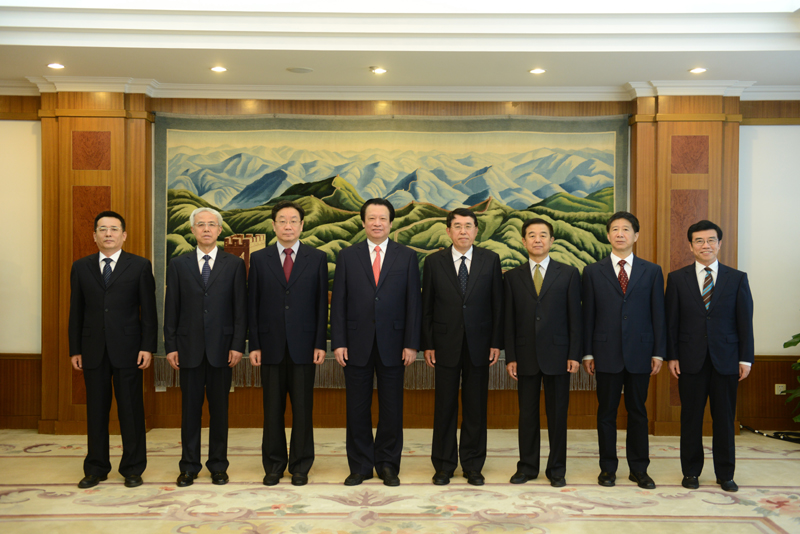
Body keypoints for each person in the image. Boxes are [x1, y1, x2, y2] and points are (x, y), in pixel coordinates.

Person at [330, 198, 422, 487]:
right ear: (363, 222)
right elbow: (339, 302)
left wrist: (411, 343)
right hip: (355, 343)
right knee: (357, 409)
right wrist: (339, 341)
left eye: (383, 218)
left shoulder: (407, 256)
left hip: (394, 344)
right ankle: (359, 466)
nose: (377, 223)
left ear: (391, 223)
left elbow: (413, 303)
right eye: (372, 218)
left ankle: (387, 465)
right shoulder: (348, 256)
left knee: (392, 409)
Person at [68, 211, 157, 489]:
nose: (108, 233)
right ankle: (96, 467)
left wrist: (147, 347)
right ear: (94, 235)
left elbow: (149, 311)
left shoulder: (139, 266)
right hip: (92, 349)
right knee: (96, 411)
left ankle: (132, 468)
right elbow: (76, 311)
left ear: (124, 235)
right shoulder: (81, 267)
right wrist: (75, 349)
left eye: (114, 229)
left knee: (131, 410)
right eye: (102, 229)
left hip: (129, 349)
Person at [666, 220, 754, 493]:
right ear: (690, 245)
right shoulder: (677, 278)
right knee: (690, 419)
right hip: (689, 360)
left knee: (725, 420)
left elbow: (745, 321)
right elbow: (671, 322)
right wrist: (672, 356)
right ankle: (691, 472)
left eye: (711, 240)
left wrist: (745, 358)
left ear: (719, 243)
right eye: (699, 241)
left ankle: (725, 474)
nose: (706, 245)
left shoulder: (737, 278)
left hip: (726, 360)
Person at [582, 211, 666, 489]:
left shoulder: (651, 271)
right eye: (615, 229)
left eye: (626, 229)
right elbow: (588, 315)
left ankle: (639, 469)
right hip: (605, 353)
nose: (620, 234)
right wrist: (588, 353)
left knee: (638, 412)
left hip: (641, 352)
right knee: (606, 413)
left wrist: (658, 352)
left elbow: (658, 314)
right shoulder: (592, 271)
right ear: (608, 235)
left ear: (636, 235)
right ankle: (608, 469)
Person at [164, 207, 247, 487]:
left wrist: (237, 345)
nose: (207, 229)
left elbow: (240, 309)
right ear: (193, 230)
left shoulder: (234, 264)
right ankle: (189, 466)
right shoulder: (178, 264)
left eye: (212, 224)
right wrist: (170, 345)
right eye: (201, 224)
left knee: (219, 412)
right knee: (190, 411)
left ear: (220, 230)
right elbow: (171, 307)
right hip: (188, 348)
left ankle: (218, 466)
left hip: (223, 349)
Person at [248, 200, 328, 487]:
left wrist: (320, 343)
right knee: (272, 410)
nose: (288, 226)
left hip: (305, 346)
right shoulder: (259, 259)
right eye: (282, 221)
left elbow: (321, 304)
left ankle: (300, 465)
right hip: (269, 345)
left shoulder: (316, 258)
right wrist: (254, 344)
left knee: (303, 410)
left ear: (302, 225)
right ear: (273, 225)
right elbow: (252, 304)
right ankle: (274, 465)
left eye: (293, 220)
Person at [421, 208, 503, 486]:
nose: (463, 231)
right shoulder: (434, 262)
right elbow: (427, 306)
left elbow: (497, 304)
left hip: (480, 344)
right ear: (448, 231)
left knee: (475, 407)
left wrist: (495, 342)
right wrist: (428, 344)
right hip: (444, 344)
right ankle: (443, 465)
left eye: (468, 226)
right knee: (444, 406)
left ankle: (473, 464)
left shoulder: (490, 260)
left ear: (476, 230)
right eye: (457, 226)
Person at [504, 218, 581, 487]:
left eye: (543, 235)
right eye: (532, 235)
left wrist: (574, 353)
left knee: (558, 416)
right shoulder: (512, 277)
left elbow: (575, 317)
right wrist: (511, 356)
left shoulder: (569, 273)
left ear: (552, 240)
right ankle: (527, 467)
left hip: (559, 355)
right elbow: (509, 320)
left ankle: (557, 469)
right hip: (525, 355)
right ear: (523, 241)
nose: (537, 239)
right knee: (527, 415)